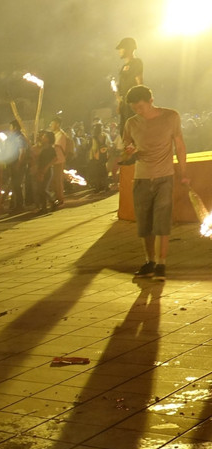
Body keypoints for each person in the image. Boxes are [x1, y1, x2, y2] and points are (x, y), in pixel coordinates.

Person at [122, 85, 188, 281]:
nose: (138, 111)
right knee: (145, 224)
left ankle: (161, 264)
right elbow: (127, 148)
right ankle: (149, 261)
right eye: (134, 108)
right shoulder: (131, 123)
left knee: (162, 223)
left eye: (140, 107)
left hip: (164, 177)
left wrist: (183, 172)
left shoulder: (170, 117)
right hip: (141, 177)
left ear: (151, 101)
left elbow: (180, 145)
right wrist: (128, 153)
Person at [116, 37, 144, 131]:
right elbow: (121, 88)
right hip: (124, 104)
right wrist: (119, 102)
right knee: (124, 131)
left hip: (133, 102)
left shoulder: (136, 62)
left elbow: (139, 82)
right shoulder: (123, 67)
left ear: (129, 48)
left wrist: (141, 102)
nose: (119, 51)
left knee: (133, 130)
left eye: (121, 48)